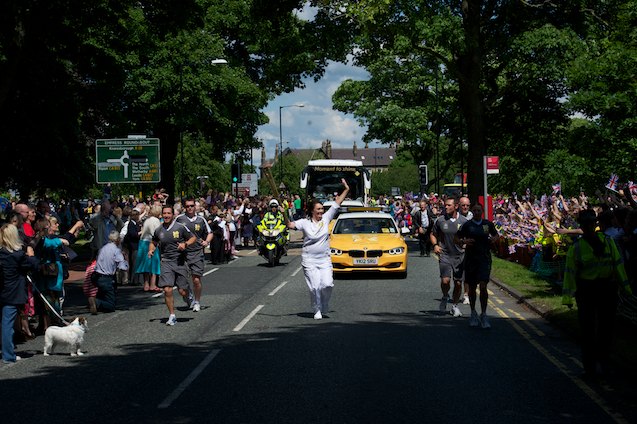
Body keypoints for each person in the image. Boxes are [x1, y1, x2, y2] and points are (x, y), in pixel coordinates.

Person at [562, 209, 632, 378]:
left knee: (603, 329)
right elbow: (570, 273)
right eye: (587, 224)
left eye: (591, 223)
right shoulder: (580, 247)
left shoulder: (606, 242)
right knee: (590, 331)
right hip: (590, 291)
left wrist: (625, 287)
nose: (589, 226)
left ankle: (600, 364)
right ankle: (592, 367)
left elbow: (618, 265)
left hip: (603, 290)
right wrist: (567, 297)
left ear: (594, 224)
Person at [285, 179, 350, 320]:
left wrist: (346, 189)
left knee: (327, 284)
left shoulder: (326, 218)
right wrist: (283, 212)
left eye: (322, 210)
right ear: (312, 211)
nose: (321, 212)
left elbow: (338, 203)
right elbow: (290, 225)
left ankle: (324, 304)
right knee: (315, 287)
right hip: (309, 260)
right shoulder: (304, 222)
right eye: (318, 210)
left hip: (324, 259)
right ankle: (317, 310)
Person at [148, 205, 197, 326]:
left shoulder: (180, 227)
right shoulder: (159, 230)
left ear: (172, 215)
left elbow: (193, 238)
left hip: (179, 261)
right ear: (161, 215)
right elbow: (154, 242)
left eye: (168, 213)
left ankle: (188, 294)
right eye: (164, 213)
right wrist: (151, 250)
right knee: (167, 289)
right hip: (166, 262)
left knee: (182, 291)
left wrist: (185, 244)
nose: (166, 216)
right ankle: (172, 315)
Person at [0, 224, 38, 363]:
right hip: (12, 292)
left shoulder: (2, 253)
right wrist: (31, 255)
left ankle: (6, 351)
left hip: (3, 290)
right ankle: (8, 355)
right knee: (7, 325)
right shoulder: (18, 255)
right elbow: (33, 265)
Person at [457, 203, 499, 328]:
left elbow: (496, 234)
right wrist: (463, 242)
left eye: (478, 210)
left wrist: (494, 239)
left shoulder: (487, 224)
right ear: (472, 211)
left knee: (483, 285)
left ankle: (484, 314)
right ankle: (473, 312)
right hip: (471, 259)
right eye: (474, 210)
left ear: (482, 211)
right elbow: (457, 238)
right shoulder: (467, 225)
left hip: (484, 259)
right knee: (472, 287)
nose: (476, 212)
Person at [430, 197, 468, 317]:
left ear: (456, 206)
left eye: (448, 205)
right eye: (445, 205)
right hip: (445, 254)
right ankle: (445, 296)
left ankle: (455, 306)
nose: (446, 207)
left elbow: (470, 236)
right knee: (445, 281)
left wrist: (467, 243)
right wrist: (435, 245)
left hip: (460, 256)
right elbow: (433, 234)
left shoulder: (464, 221)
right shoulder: (440, 220)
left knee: (458, 283)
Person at [176, 197, 213, 312]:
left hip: (197, 253)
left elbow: (209, 233)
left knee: (196, 280)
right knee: (181, 286)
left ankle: (197, 301)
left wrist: (206, 241)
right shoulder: (179, 219)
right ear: (184, 207)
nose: (190, 208)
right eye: (187, 206)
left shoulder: (201, 220)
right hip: (182, 254)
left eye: (192, 206)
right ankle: (188, 296)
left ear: (195, 206)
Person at [89, 230, 128, 313]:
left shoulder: (103, 248)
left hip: (96, 275)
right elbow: (123, 266)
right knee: (111, 305)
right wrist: (126, 259)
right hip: (106, 278)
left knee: (102, 292)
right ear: (117, 240)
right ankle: (96, 302)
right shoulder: (116, 251)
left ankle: (97, 302)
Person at [135, 205, 162, 292]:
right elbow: (157, 233)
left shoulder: (147, 220)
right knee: (154, 263)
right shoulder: (156, 220)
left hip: (143, 242)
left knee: (145, 264)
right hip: (151, 243)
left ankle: (146, 284)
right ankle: (153, 285)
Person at [458, 196, 473, 305]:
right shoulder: (455, 216)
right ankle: (456, 294)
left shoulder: (472, 216)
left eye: (467, 205)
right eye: (463, 205)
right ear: (459, 205)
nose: (465, 207)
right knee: (457, 276)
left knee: (467, 274)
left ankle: (466, 294)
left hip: (470, 250)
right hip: (456, 250)